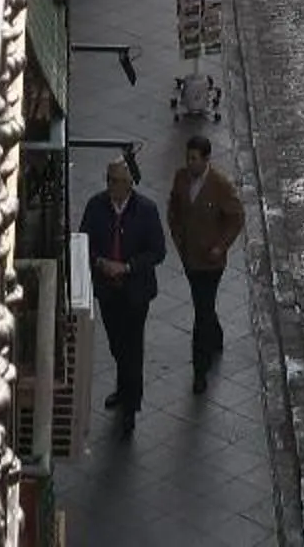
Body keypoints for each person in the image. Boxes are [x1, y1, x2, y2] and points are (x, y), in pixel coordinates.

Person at [79, 154, 168, 429]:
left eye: (116, 181)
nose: (111, 186)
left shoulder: (146, 210)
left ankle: (131, 404)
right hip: (107, 291)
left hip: (135, 292)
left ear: (129, 184)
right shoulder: (96, 206)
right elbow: (84, 241)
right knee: (117, 344)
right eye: (108, 180)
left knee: (133, 348)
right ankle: (123, 387)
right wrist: (100, 262)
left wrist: (128, 267)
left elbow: (157, 251)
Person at [166, 132, 244, 393]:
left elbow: (236, 218)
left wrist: (220, 246)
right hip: (190, 257)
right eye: (188, 158)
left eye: (194, 159)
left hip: (211, 263)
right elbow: (173, 208)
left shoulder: (220, 185)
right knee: (204, 304)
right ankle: (216, 334)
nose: (190, 164)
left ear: (206, 159)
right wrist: (178, 236)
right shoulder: (180, 178)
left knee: (201, 311)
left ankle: (200, 368)